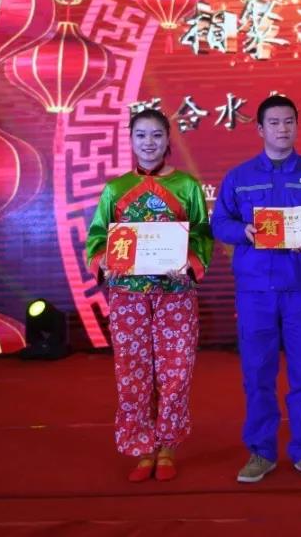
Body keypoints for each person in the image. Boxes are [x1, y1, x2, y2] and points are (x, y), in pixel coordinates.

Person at [211, 95, 301, 483]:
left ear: (297, 126)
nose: (282, 129)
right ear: (260, 129)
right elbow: (219, 223)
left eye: (289, 121)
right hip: (255, 291)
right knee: (257, 373)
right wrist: (244, 231)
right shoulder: (239, 176)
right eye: (274, 122)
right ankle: (261, 451)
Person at [86, 108, 213, 483]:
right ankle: (143, 447)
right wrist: (104, 261)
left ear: (168, 139)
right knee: (133, 372)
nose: (149, 142)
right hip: (128, 295)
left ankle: (168, 445)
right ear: (130, 139)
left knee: (176, 371)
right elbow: (97, 236)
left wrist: (189, 263)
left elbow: (202, 234)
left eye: (156, 135)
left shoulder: (187, 186)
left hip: (175, 293)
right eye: (141, 135)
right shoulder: (115, 189)